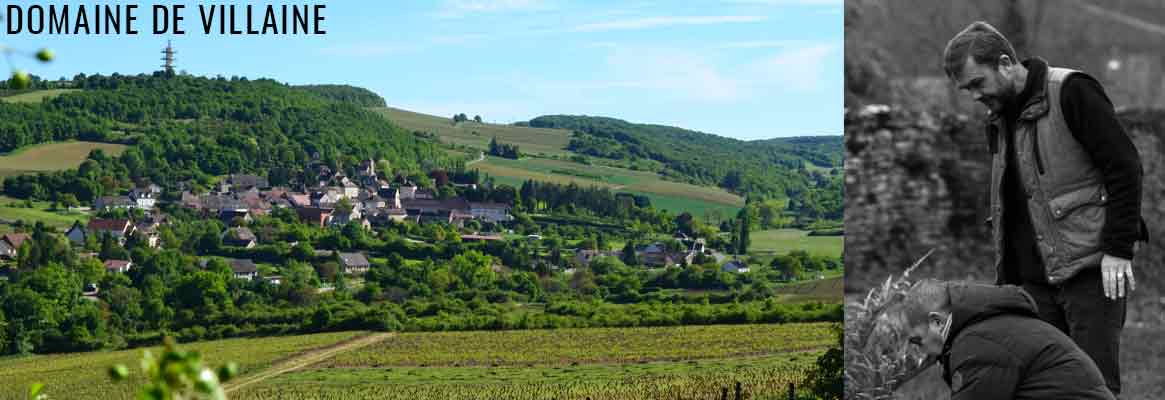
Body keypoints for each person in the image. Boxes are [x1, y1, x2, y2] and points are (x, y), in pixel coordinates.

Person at [941, 21, 1147, 395]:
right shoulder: (998, 119)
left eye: (976, 83)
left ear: (1005, 63)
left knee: (1092, 388)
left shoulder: (1071, 91)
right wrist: (1007, 285)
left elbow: (1125, 167)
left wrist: (1118, 249)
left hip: (1090, 273)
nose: (974, 96)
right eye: (966, 89)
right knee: (1041, 387)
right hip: (1030, 285)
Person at [898, 279, 1114, 399]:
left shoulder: (978, 344)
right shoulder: (986, 326)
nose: (920, 352)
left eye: (917, 341)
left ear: (937, 322)